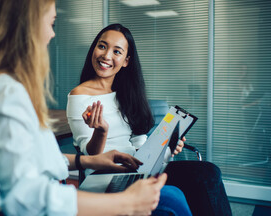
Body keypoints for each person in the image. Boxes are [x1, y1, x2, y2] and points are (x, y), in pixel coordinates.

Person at [0, 0, 176, 215]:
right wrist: (127, 203)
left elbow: (35, 159)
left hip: (46, 197)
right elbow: (28, 198)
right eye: (51, 23)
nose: (52, 34)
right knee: (172, 202)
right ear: (24, 25)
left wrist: (91, 162)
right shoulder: (0, 95)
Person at [67, 23, 232, 216]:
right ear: (94, 49)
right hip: (104, 175)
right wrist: (101, 131)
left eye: (117, 51)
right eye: (102, 46)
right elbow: (90, 155)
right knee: (174, 196)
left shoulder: (126, 94)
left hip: (136, 169)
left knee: (208, 173)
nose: (107, 56)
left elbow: (141, 148)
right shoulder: (79, 95)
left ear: (126, 61)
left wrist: (169, 149)